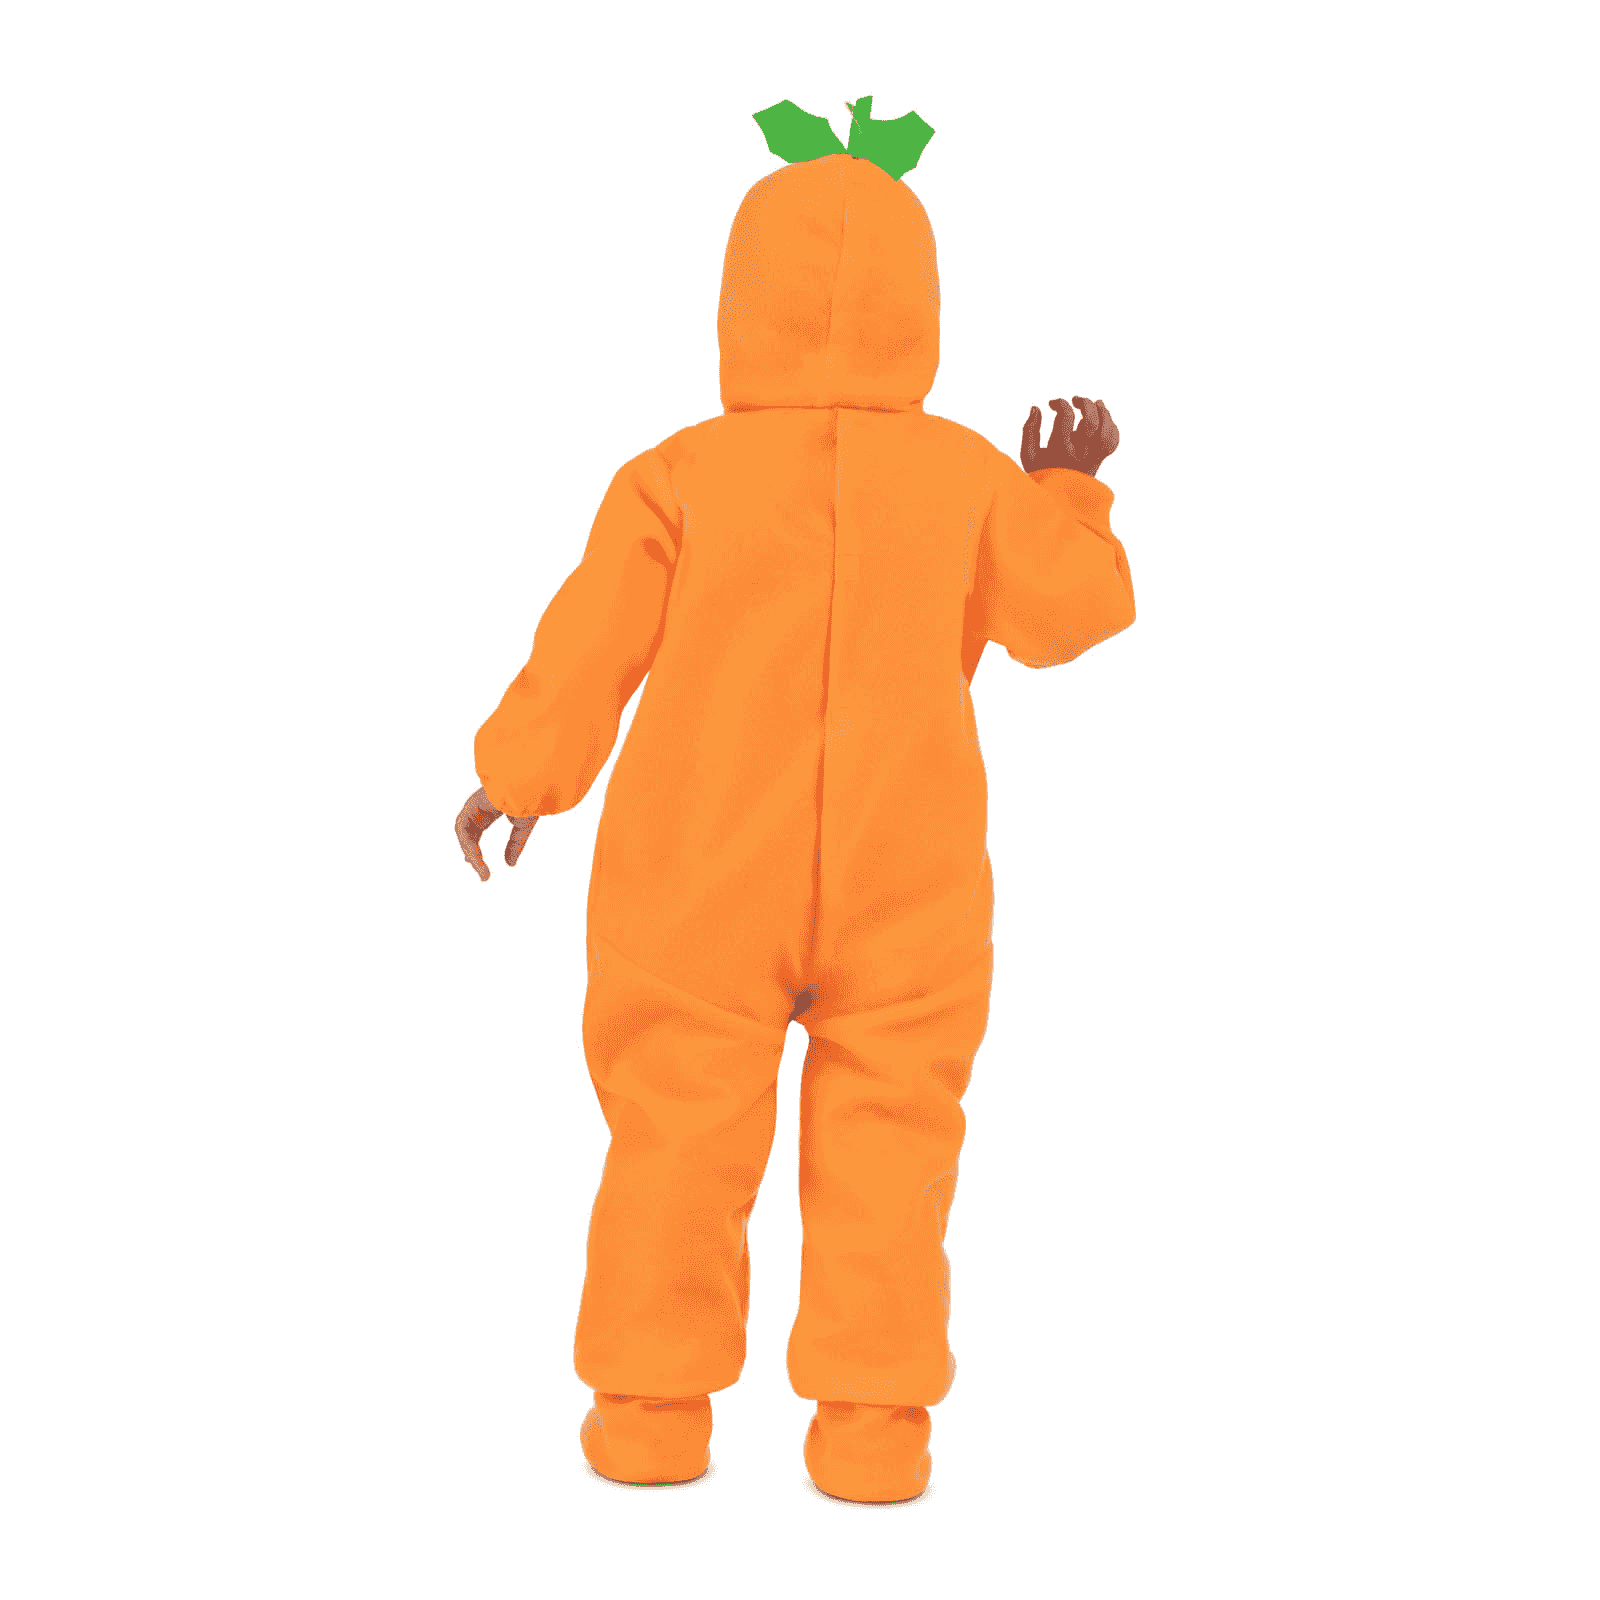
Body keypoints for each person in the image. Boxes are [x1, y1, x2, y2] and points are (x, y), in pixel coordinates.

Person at [454, 124, 1133, 1503]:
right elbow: (1072, 613)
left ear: (740, 300)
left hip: (693, 880)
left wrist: (521, 776)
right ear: (916, 305)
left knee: (673, 1141)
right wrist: (1065, 491)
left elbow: (590, 646)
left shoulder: (676, 476)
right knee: (894, 1147)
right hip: (908, 883)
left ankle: (648, 1416)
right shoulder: (964, 480)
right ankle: (874, 1435)